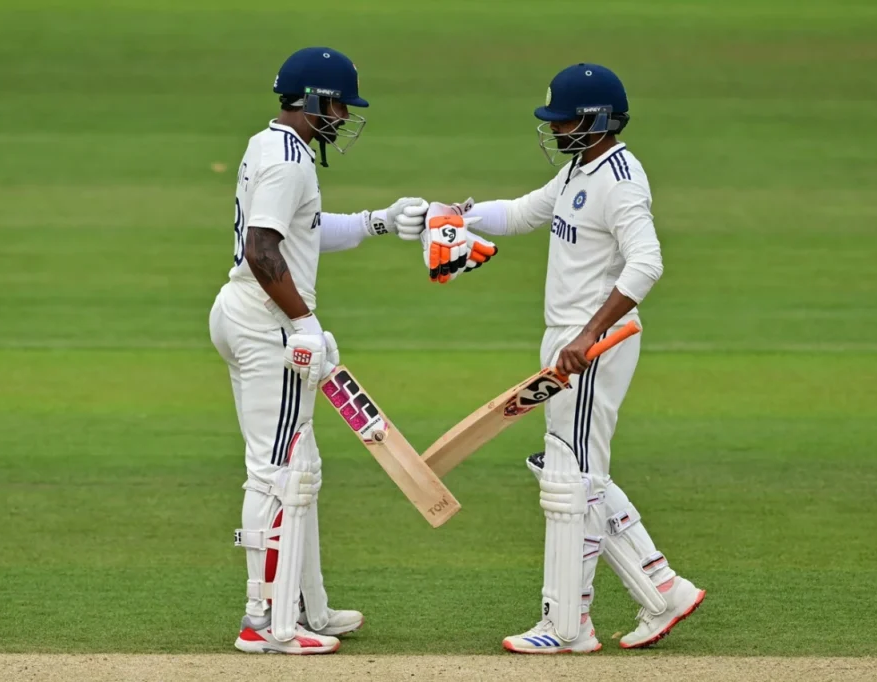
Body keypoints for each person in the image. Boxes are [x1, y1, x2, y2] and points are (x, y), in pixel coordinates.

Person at [429, 63, 705, 653]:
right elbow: (524, 212)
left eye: (564, 120)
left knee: (571, 482)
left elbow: (647, 263)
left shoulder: (621, 180)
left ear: (598, 120)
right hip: (569, 340)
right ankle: (664, 588)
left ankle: (566, 626)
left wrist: (587, 334)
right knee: (569, 472)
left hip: (595, 347)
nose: (555, 128)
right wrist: (459, 214)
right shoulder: (580, 167)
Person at [209, 46, 433, 655]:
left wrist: (377, 222)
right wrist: (303, 322)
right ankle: (265, 620)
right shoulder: (289, 161)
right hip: (267, 324)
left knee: (299, 469)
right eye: (338, 106)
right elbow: (262, 250)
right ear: (312, 101)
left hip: (249, 314)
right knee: (278, 472)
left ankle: (305, 606)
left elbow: (301, 232)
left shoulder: (274, 144)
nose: (343, 117)